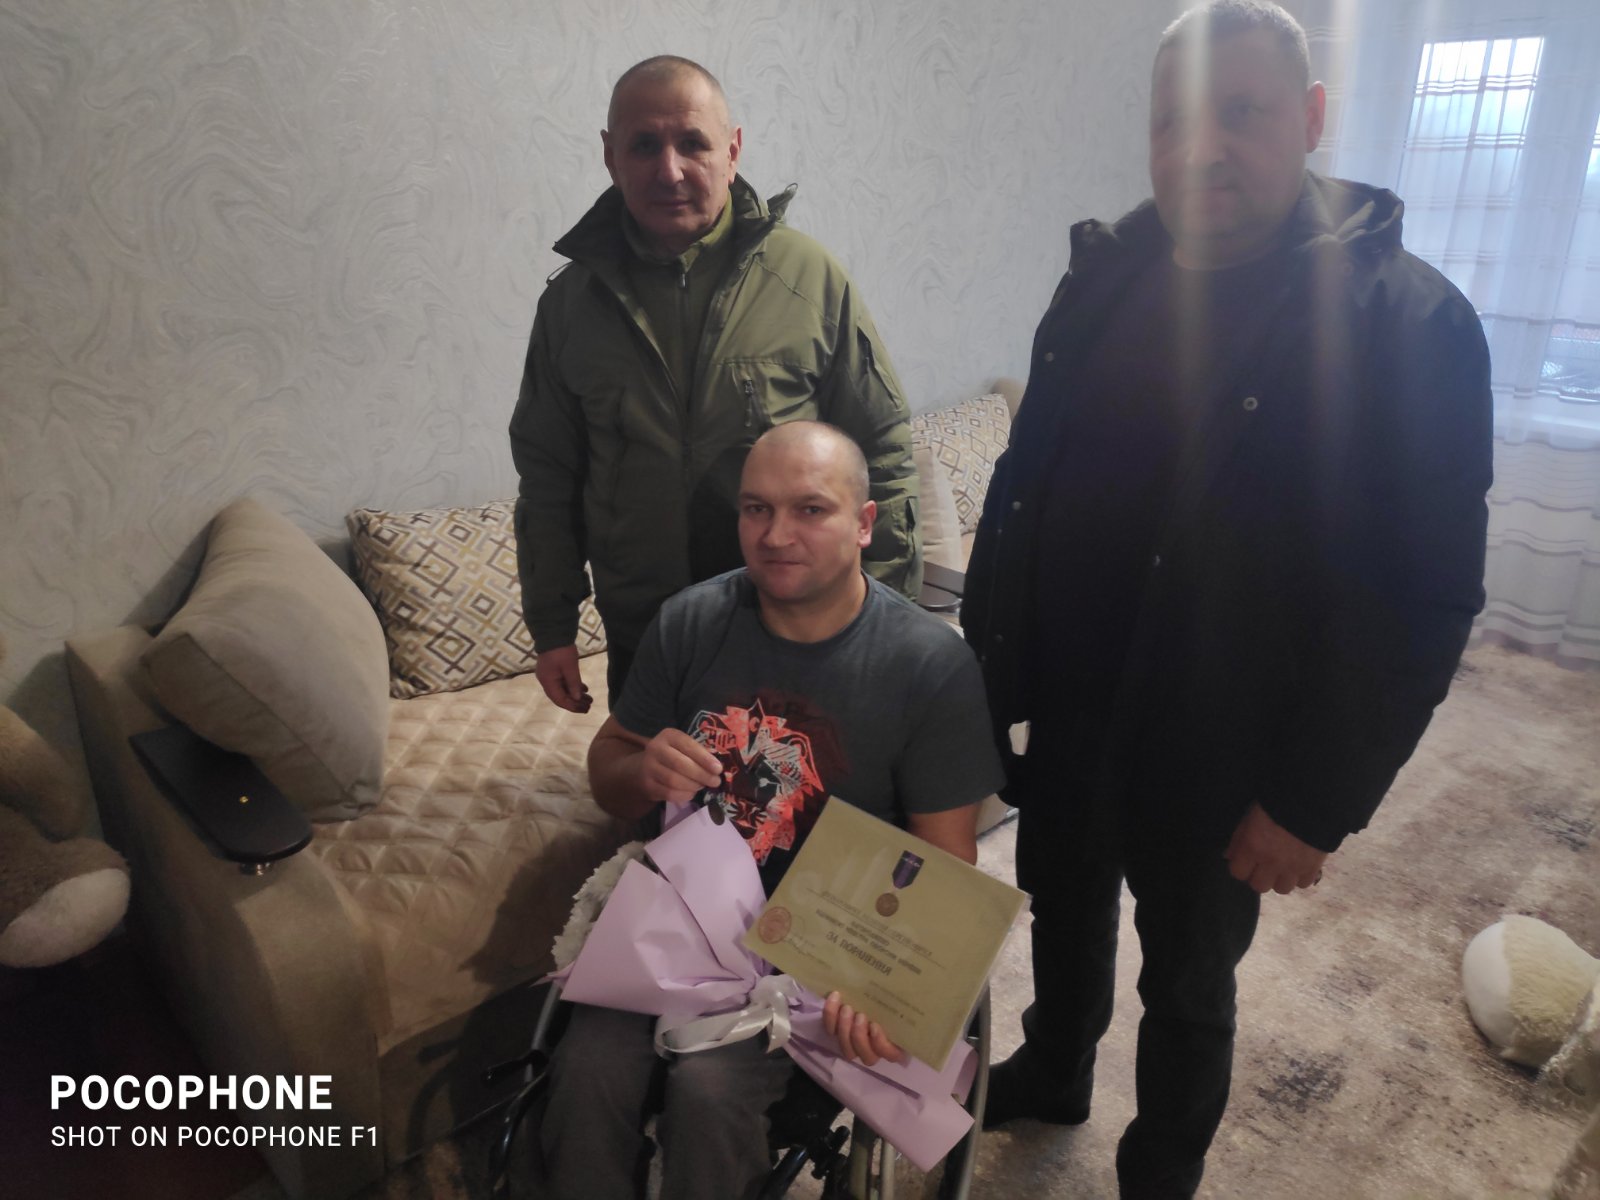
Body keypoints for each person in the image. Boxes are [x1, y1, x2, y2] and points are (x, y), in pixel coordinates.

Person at [962, 2, 1493, 1196]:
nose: (1198, 149)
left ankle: (1160, 1169)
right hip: (1075, 700)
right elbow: (1024, 481)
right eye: (1170, 121)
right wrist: (986, 670)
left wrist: (1313, 801)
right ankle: (1054, 1067)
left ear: (1310, 118)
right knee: (1059, 905)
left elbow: (1421, 599)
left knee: (1188, 979)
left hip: (1226, 735)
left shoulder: (1407, 324)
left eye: (1239, 114)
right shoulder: (1102, 276)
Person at [538, 421, 1003, 1200]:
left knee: (709, 1089)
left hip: (823, 946)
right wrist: (643, 770)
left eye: (809, 509)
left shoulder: (929, 665)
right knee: (586, 1071)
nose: (776, 535)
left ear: (864, 523)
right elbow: (608, 771)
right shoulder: (690, 622)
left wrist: (883, 987)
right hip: (682, 924)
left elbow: (948, 861)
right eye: (756, 509)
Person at [509, 55, 920, 714]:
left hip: (795, 626)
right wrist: (552, 627)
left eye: (692, 143)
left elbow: (884, 451)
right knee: (652, 781)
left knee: (798, 779)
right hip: (646, 633)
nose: (669, 170)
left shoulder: (810, 279)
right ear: (611, 156)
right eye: (645, 145)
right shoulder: (569, 307)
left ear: (731, 151)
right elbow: (548, 478)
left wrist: (886, 614)